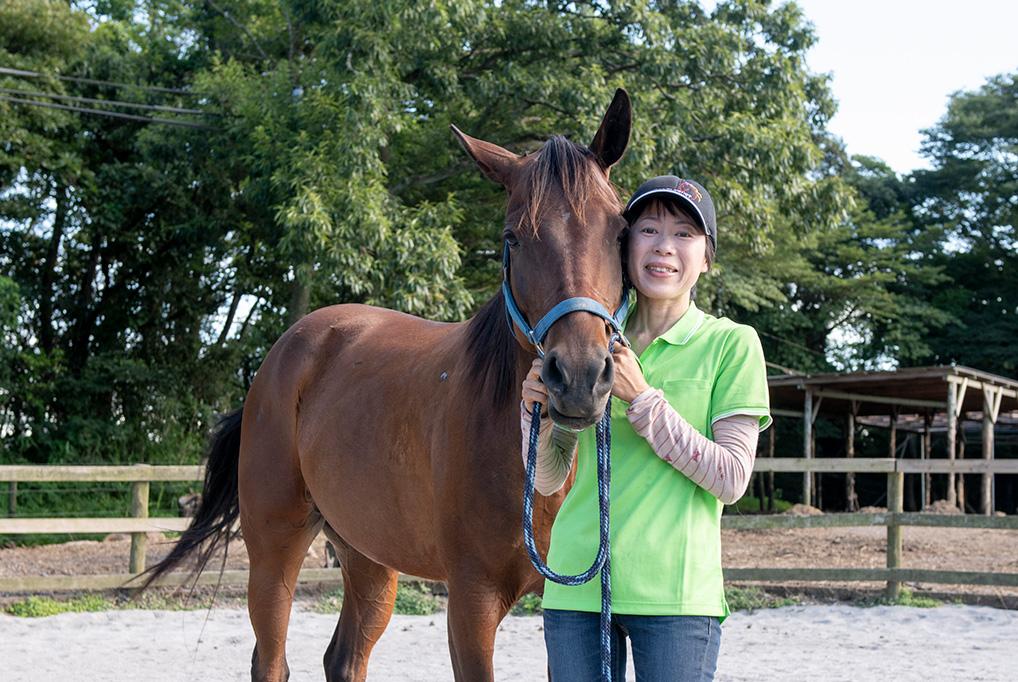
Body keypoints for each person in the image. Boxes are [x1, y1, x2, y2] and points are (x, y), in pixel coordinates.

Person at [521, 176, 771, 681]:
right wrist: (536, 417)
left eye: (684, 234)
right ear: (624, 245)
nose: (663, 247)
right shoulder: (588, 345)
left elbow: (730, 478)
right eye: (649, 229)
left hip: (677, 596)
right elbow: (548, 480)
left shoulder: (732, 344)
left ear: (706, 256)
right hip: (576, 584)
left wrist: (642, 399)